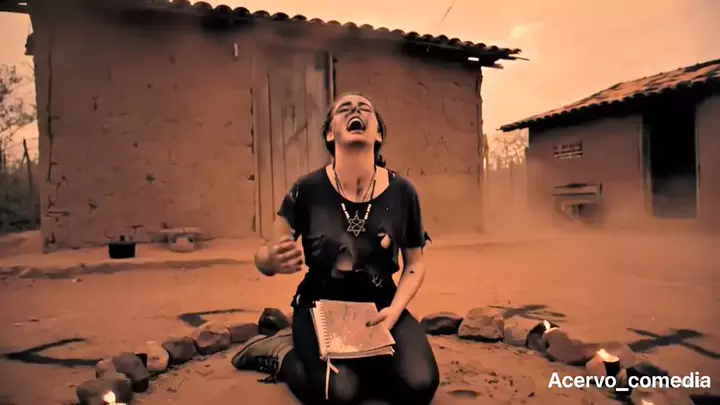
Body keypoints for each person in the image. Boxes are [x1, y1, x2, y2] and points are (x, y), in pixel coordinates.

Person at [232, 92, 439, 405]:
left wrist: (394, 311)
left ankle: (357, 364)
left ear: (378, 134)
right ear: (330, 133)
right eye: (345, 109)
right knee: (339, 395)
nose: (356, 110)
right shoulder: (307, 189)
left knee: (420, 385)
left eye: (365, 108)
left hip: (381, 308)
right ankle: (282, 354)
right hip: (319, 307)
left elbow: (414, 264)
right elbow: (266, 255)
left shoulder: (403, 192)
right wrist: (270, 259)